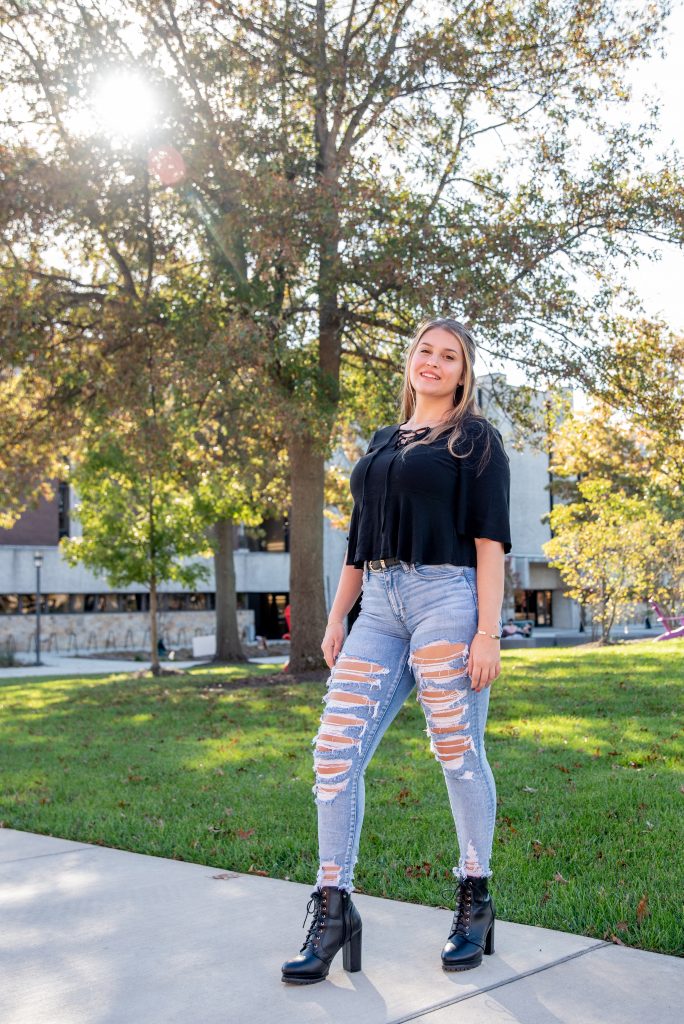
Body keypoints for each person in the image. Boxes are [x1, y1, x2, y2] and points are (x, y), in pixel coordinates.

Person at [281, 317, 512, 985]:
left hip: (448, 598)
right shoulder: (383, 440)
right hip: (379, 605)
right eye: (425, 352)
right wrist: (337, 615)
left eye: (449, 357)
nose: (433, 364)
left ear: (463, 373)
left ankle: (475, 895)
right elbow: (359, 538)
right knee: (332, 752)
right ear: (410, 361)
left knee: (456, 750)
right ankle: (333, 910)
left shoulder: (475, 440)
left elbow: (490, 543)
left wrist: (488, 633)